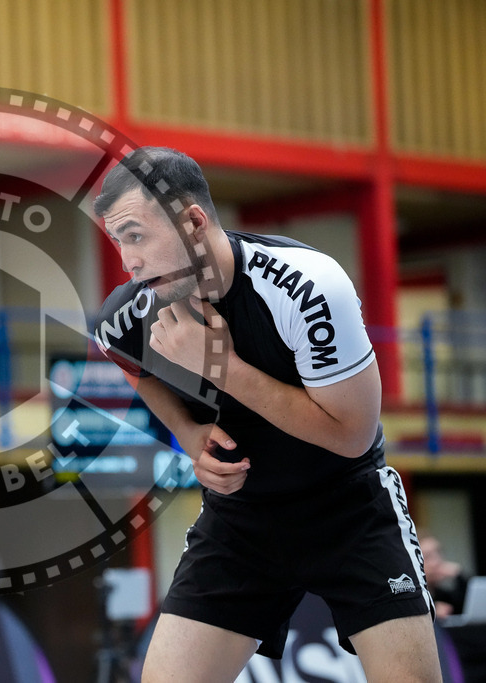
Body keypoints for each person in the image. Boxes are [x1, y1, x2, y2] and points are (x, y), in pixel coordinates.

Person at [91, 147, 442, 681]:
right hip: (242, 520)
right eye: (118, 240)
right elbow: (122, 357)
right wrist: (187, 432)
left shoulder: (309, 285)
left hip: (348, 506)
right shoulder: (129, 313)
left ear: (192, 221)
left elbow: (352, 435)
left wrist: (220, 367)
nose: (127, 261)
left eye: (135, 235)